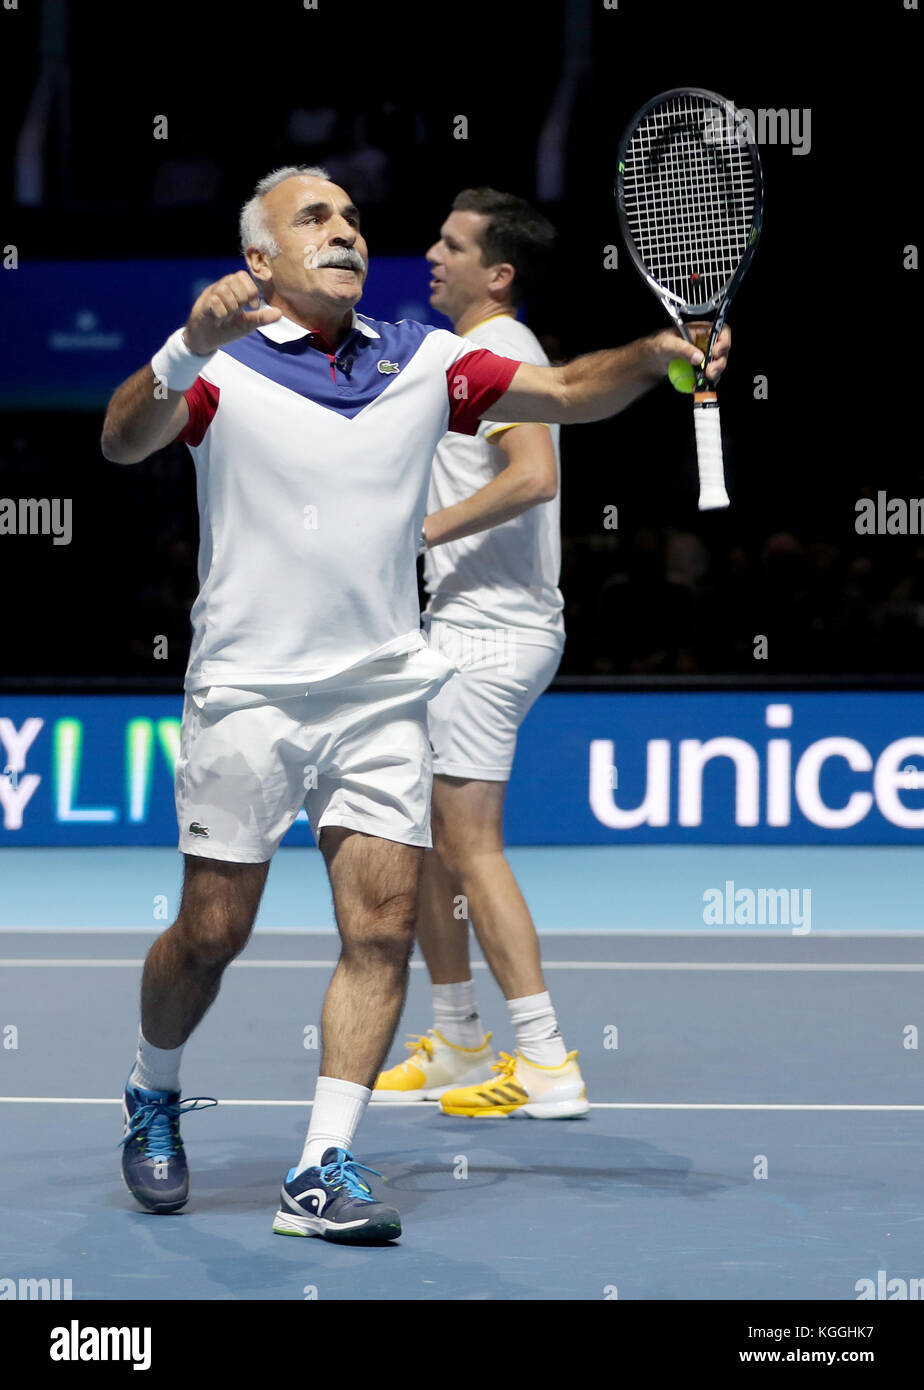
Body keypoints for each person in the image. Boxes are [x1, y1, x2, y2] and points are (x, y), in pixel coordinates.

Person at [100, 164, 728, 1243]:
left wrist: (658, 355)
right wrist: (184, 344)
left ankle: (322, 1164)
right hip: (247, 689)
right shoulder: (223, 369)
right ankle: (154, 1088)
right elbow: (121, 439)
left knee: (383, 923)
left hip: (386, 684)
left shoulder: (424, 360)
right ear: (261, 261)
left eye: (350, 215)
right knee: (212, 931)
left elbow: (573, 391)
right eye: (315, 218)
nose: (345, 230)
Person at [373, 189, 583, 1116]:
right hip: (455, 628)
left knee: (468, 842)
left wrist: (418, 532)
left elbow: (533, 477)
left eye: (452, 245)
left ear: (497, 272)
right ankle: (459, 1039)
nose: (432, 253)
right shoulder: (461, 351)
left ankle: (546, 1060)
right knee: (424, 844)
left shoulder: (504, 350)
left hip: (490, 634)